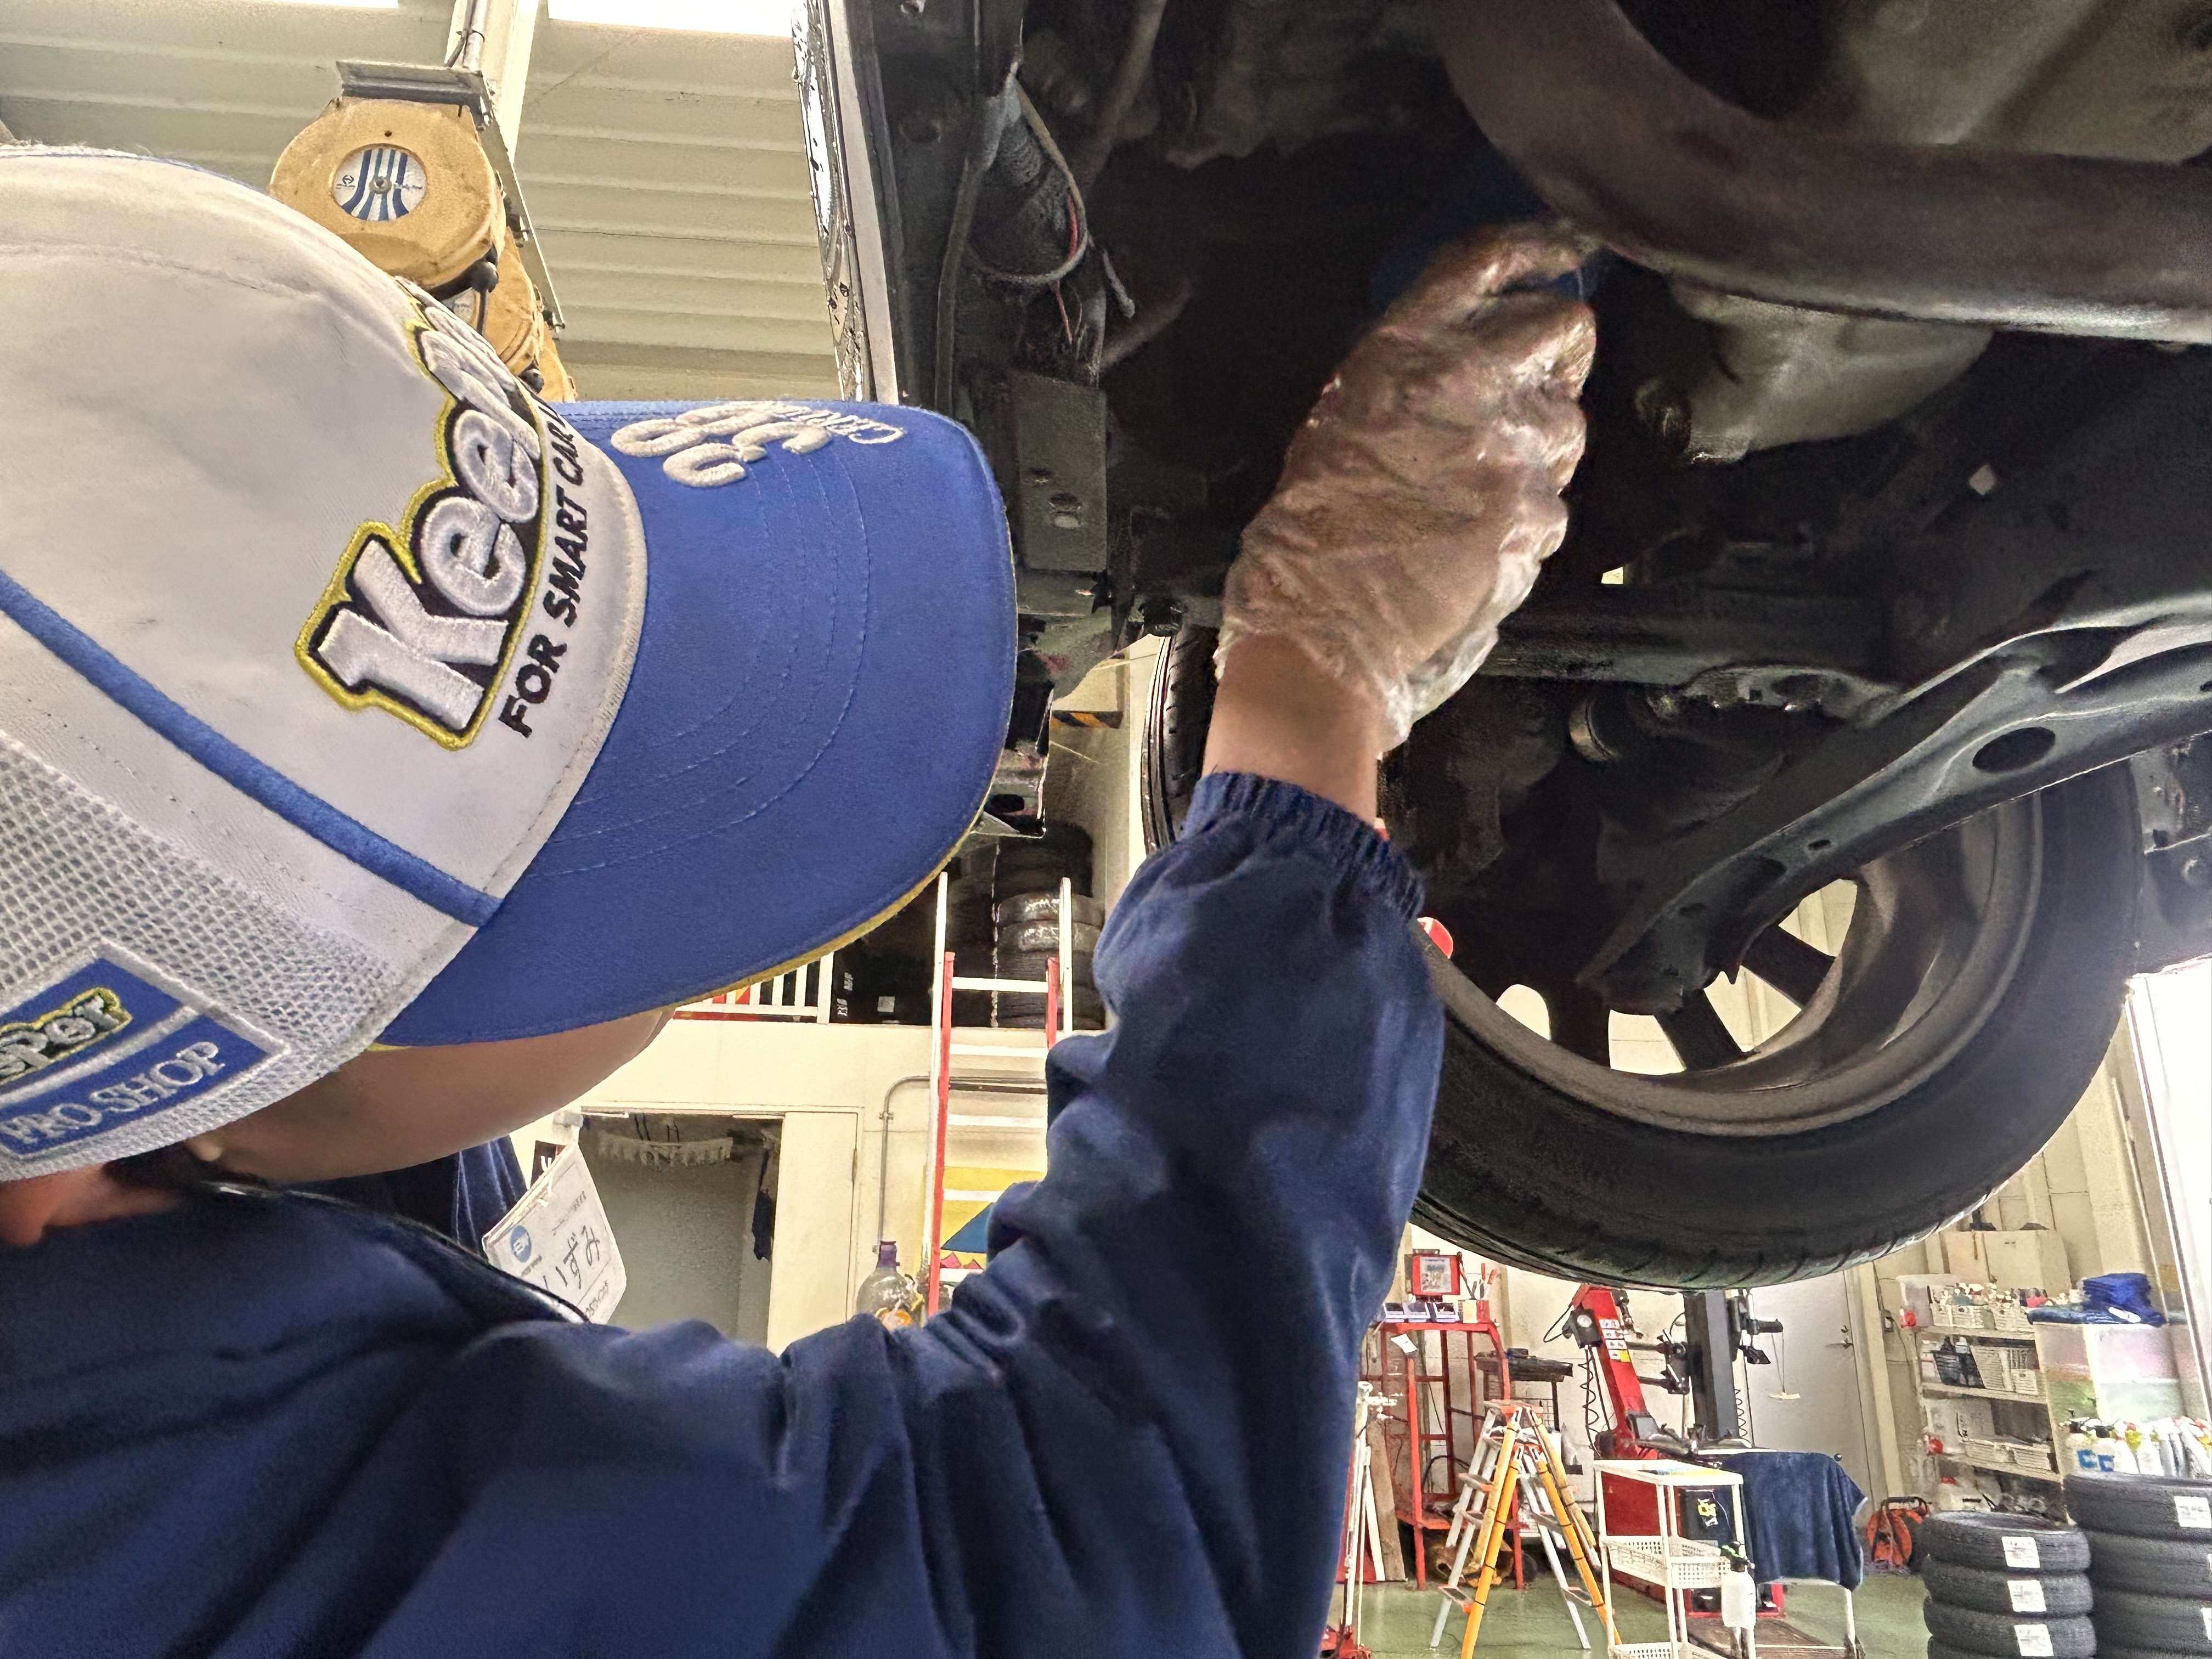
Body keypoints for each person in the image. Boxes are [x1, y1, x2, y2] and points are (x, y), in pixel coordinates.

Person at [0, 148, 1593, 1655]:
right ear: (102, 1135)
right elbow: (1058, 1555)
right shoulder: (119, 1526)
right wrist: (1317, 694)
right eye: (581, 845)